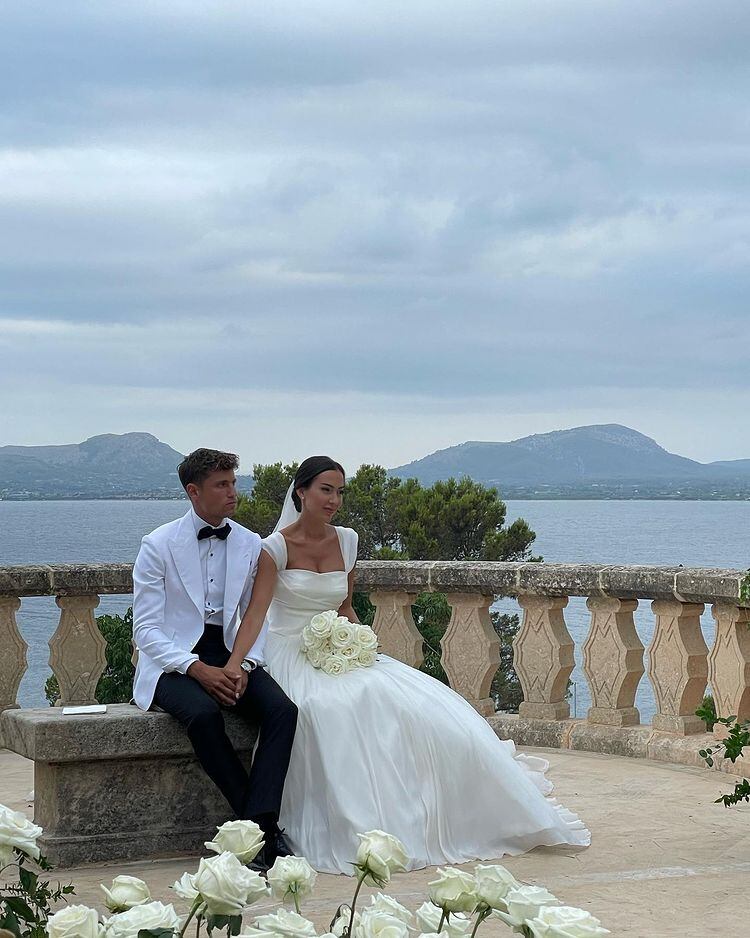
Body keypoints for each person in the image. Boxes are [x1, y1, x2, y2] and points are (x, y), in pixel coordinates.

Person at [226, 456, 591, 874]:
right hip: (291, 650)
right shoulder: (273, 548)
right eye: (325, 489)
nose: (334, 500)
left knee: (412, 702)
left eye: (340, 491)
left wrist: (364, 646)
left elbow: (345, 606)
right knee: (330, 709)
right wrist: (236, 665)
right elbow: (255, 615)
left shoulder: (347, 540)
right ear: (301, 491)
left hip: (341, 646)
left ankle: (437, 809)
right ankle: (352, 823)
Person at [132, 448, 298, 871]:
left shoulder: (247, 543)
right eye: (221, 485)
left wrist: (241, 665)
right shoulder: (157, 545)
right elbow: (145, 630)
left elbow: (254, 616)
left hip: (229, 651)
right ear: (193, 491)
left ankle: (257, 824)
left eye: (233, 483)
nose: (232, 493)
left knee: (282, 710)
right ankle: (260, 830)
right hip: (171, 660)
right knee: (204, 714)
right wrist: (195, 668)